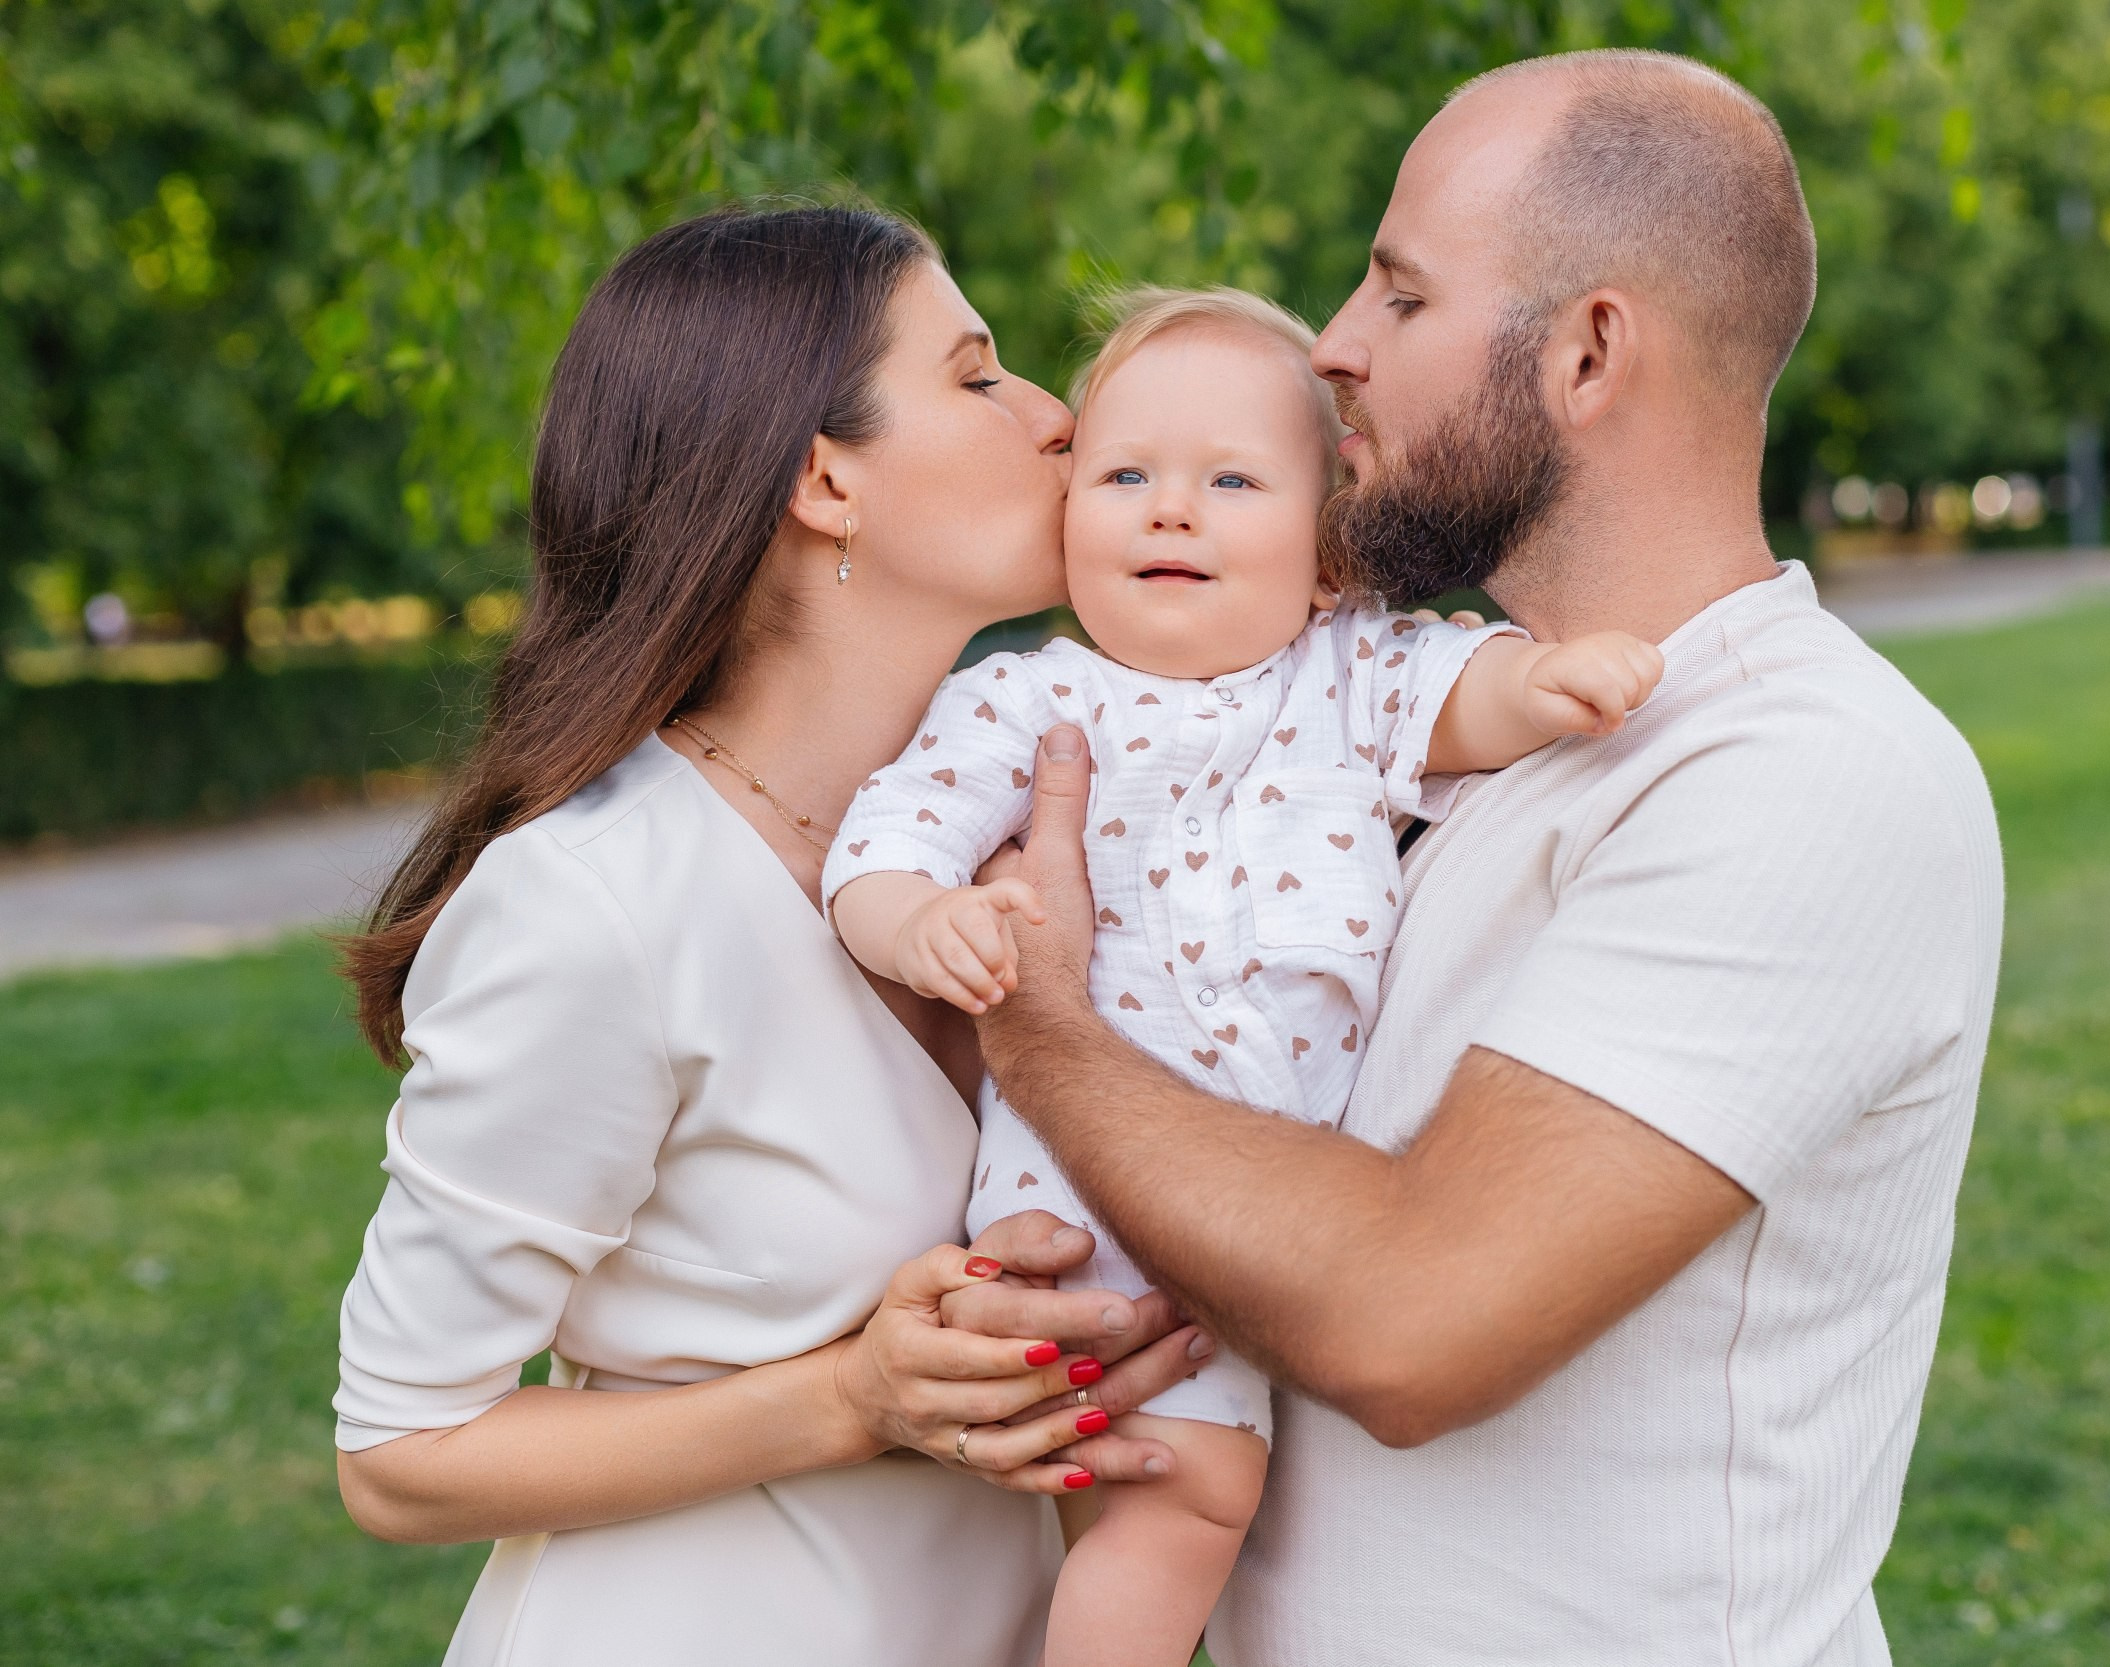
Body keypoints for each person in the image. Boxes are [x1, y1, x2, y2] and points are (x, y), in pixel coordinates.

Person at [973, 50, 2006, 1666]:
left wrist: (1041, 1037)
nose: (1333, 346)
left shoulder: (1809, 774)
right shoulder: (1438, 729)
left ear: (1587, 354)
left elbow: (1408, 1319)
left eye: (1400, 295)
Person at [328, 204, 1210, 1666]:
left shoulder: (1031, 835)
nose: (1057, 416)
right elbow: (401, 1453)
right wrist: (853, 1398)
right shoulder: (600, 898)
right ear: (824, 479)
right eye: (978, 375)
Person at [824, 286, 1663, 1667]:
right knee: (1183, 1491)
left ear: (1328, 558)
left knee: (1184, 1490)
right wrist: (919, 921)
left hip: (1286, 1216)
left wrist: (1552, 683)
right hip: (1078, 1202)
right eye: (1125, 476)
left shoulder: (1351, 674)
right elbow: (882, 843)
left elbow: (1468, 694)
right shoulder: (1025, 699)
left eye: (1231, 482)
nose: (1171, 510)